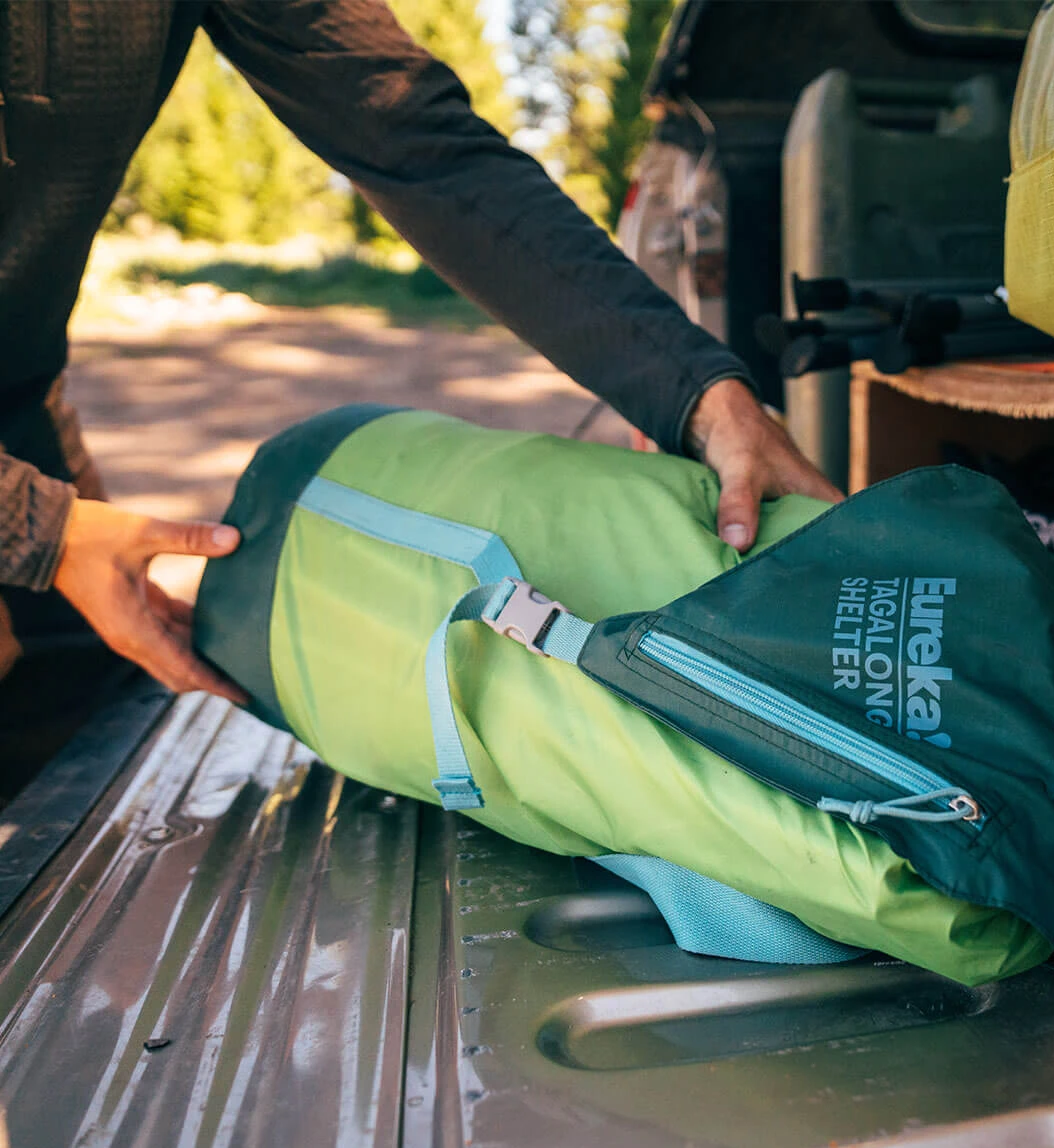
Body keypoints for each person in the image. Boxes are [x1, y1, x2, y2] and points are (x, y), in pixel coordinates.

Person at [0, 0, 840, 705]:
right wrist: (38, 529)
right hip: (27, 503)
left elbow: (419, 145)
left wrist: (703, 393)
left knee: (81, 733)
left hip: (20, 404)